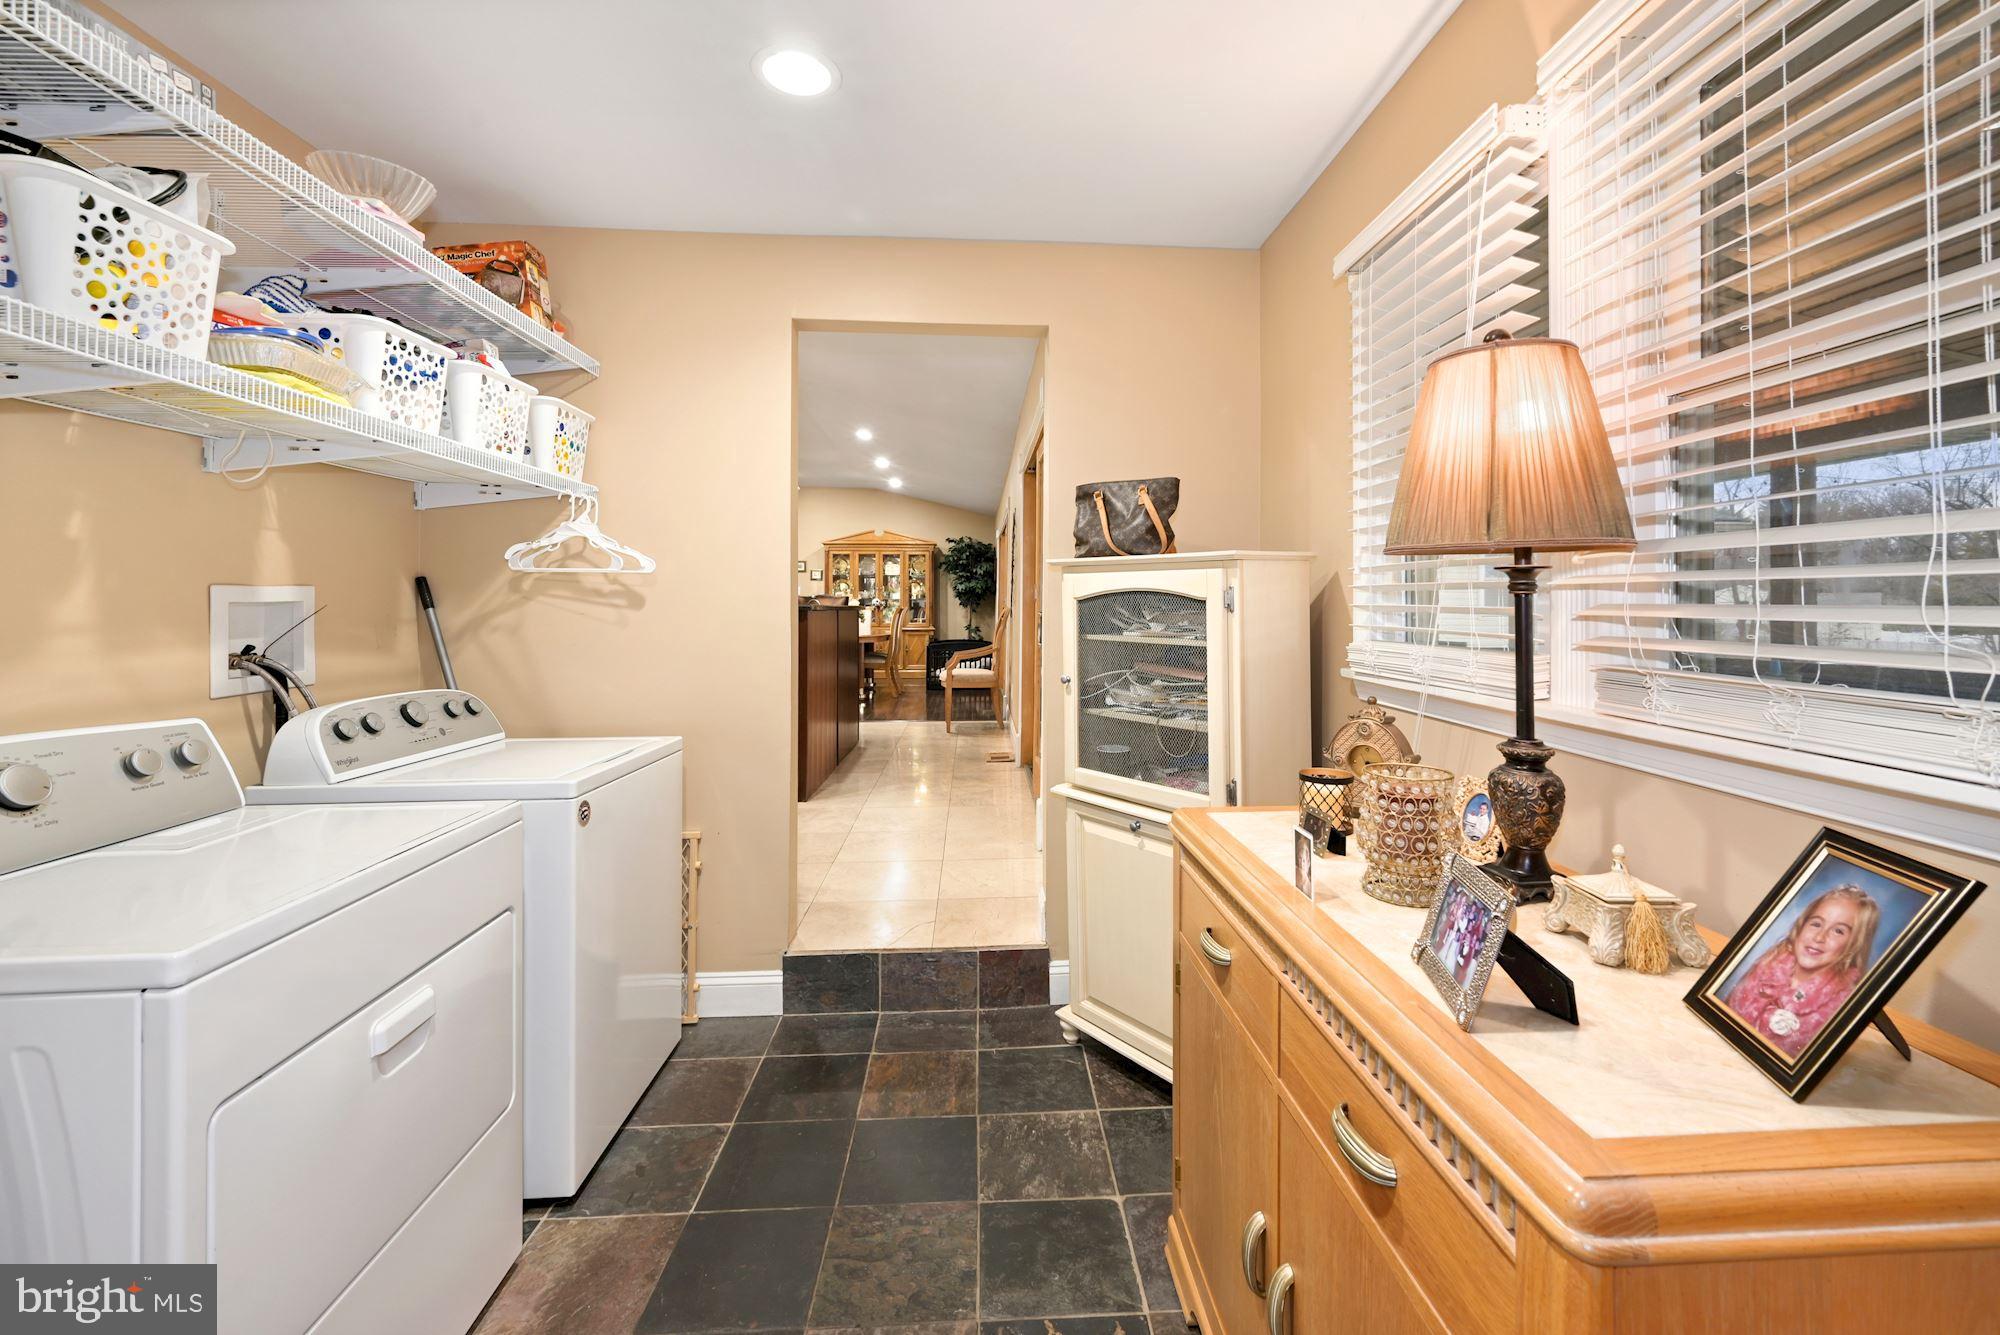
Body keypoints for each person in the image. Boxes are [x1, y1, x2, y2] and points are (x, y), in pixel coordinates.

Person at [1722, 884, 1880, 1059]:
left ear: (1854, 945)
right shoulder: (1770, 963)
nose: (1819, 937)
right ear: (1802, 925)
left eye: (1838, 931)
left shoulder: (1839, 1005)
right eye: (1816, 924)